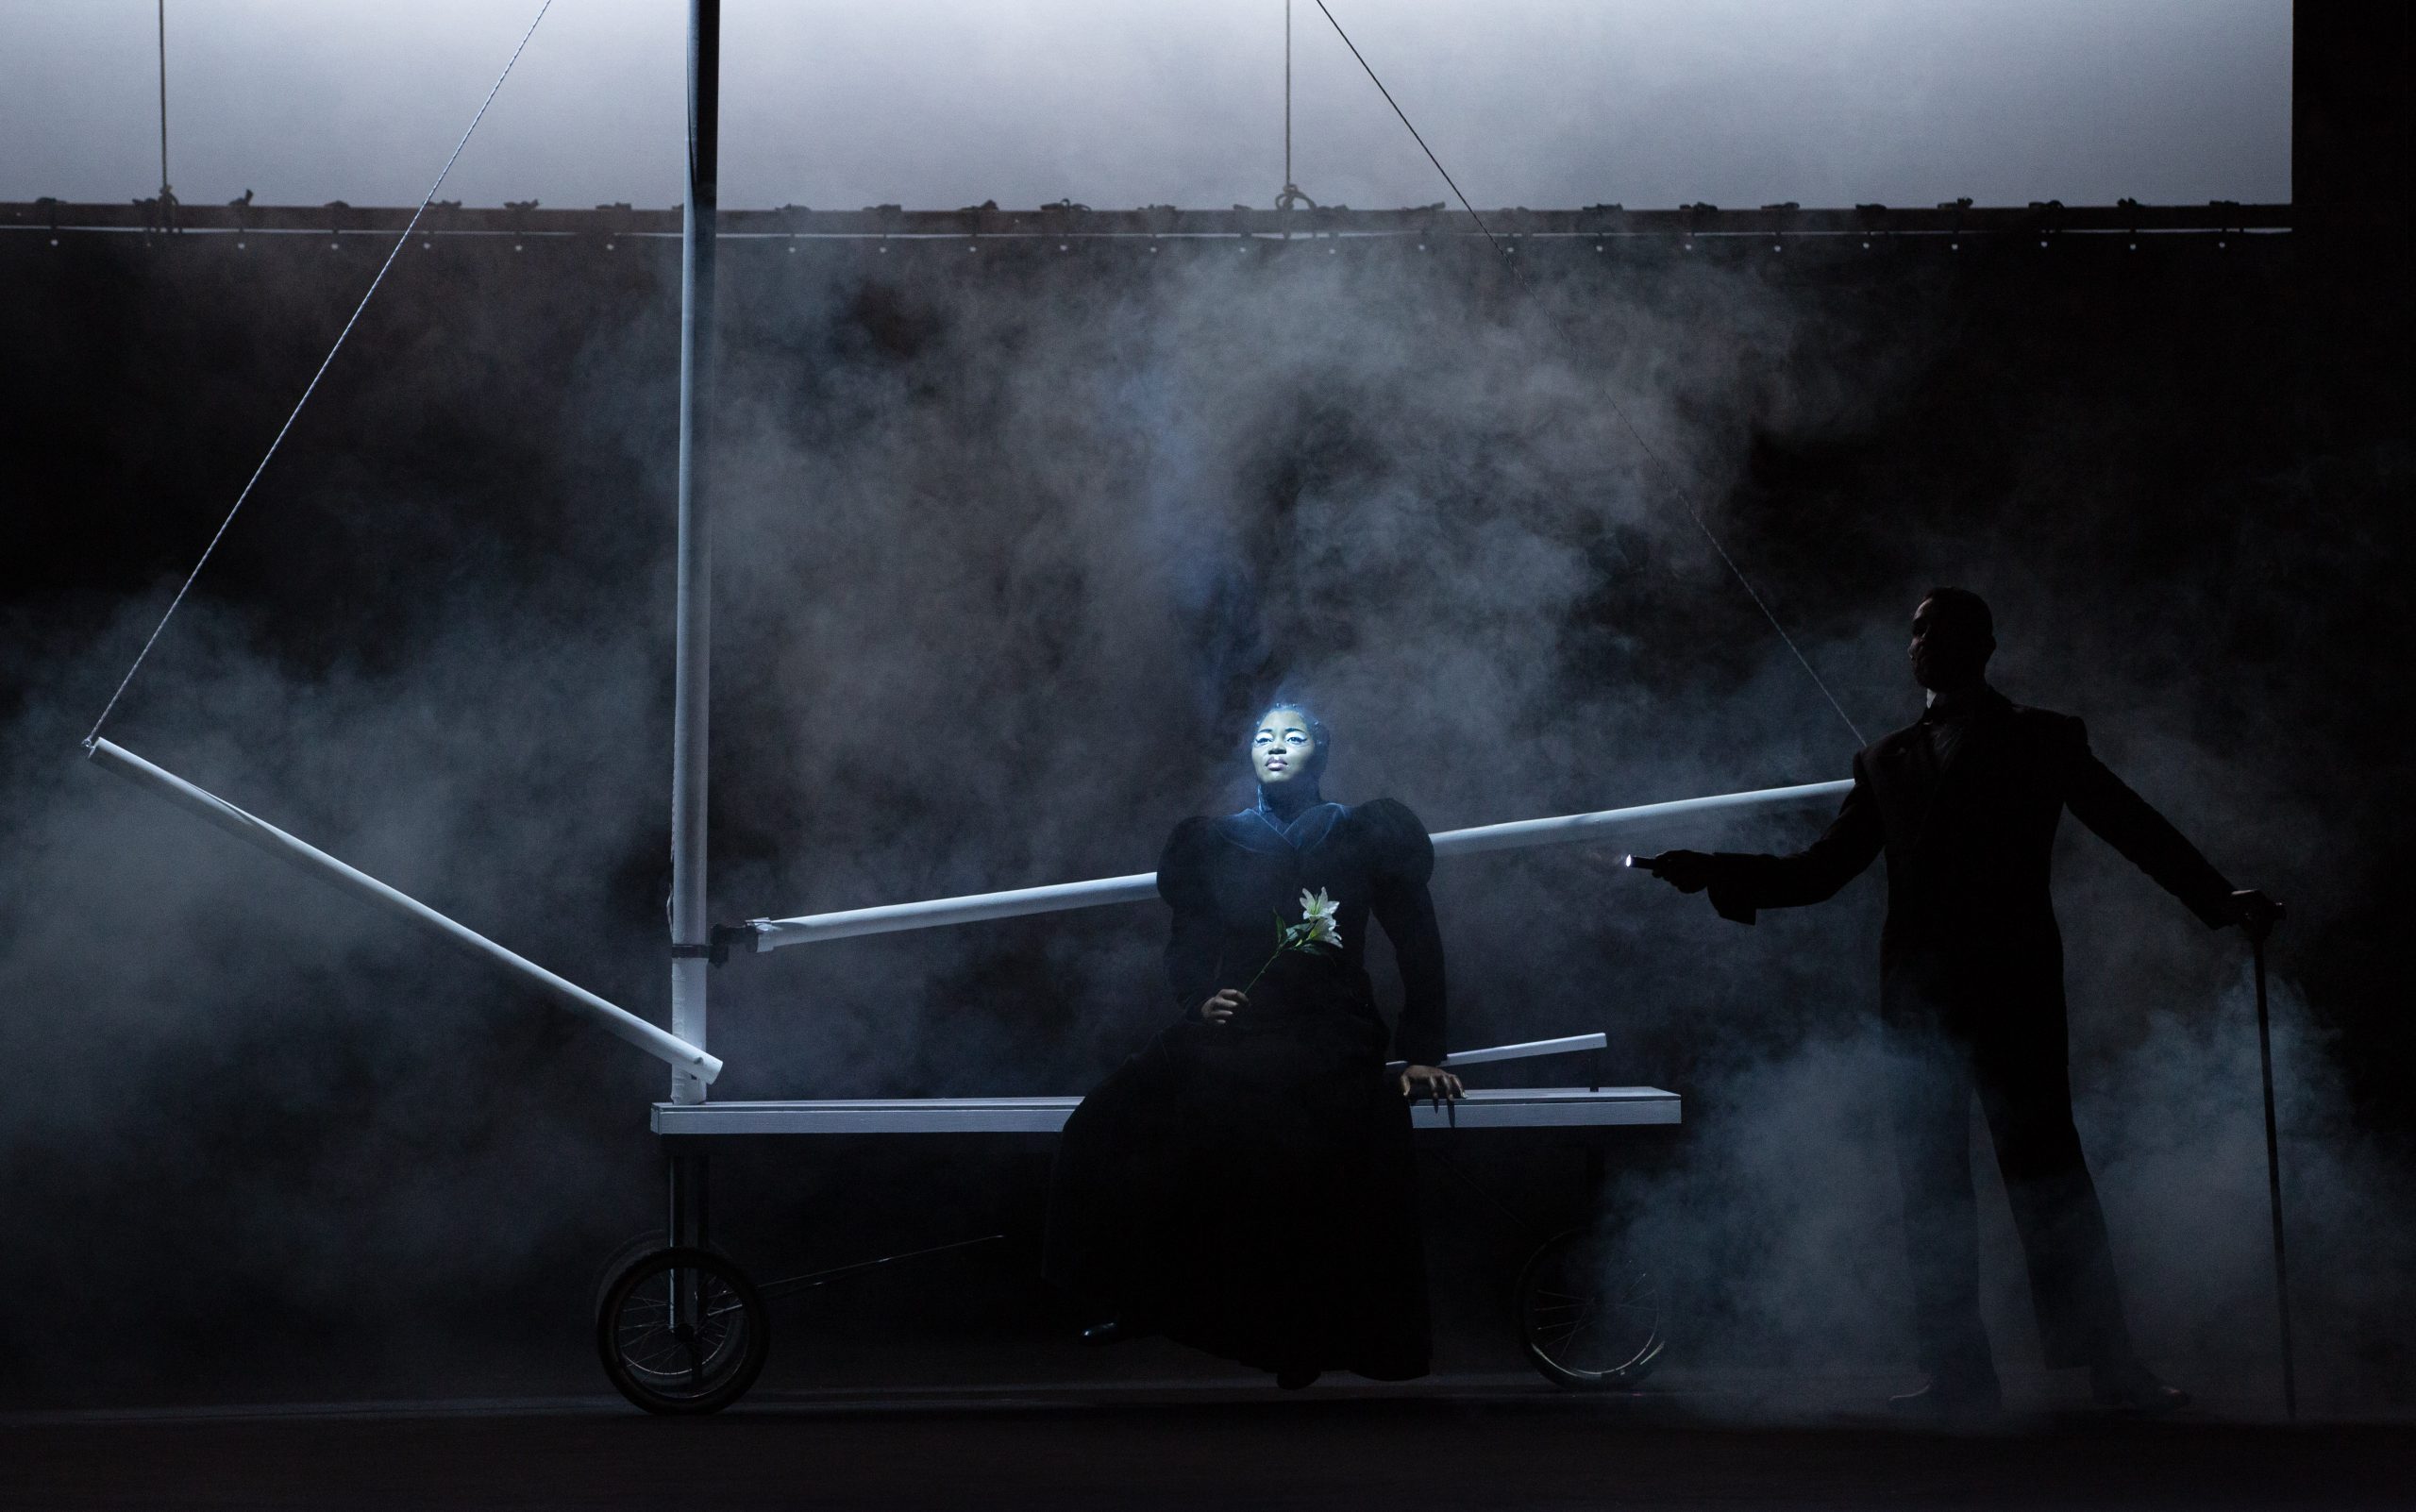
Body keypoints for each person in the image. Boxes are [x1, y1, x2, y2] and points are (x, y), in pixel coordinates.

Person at [1636, 588, 2281, 1418]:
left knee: (2049, 1179)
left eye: (1937, 630)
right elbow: (1821, 871)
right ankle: (1958, 1374)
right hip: (1918, 1003)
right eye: (1914, 630)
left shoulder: (2042, 737)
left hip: (2014, 988)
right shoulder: (1884, 760)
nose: (1919, 643)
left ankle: (2109, 1369)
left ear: (1983, 645)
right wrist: (1715, 871)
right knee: (1931, 1190)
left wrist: (2218, 897)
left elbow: (2130, 824)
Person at [1043, 702, 1462, 1389]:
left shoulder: (1361, 832)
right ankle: (1138, 1293)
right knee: (1116, 1118)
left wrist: (1423, 1051)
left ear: (1320, 752)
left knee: (1293, 1141)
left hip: (1331, 1031)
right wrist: (1198, 998)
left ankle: (1297, 1336)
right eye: (1264, 737)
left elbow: (1419, 945)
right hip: (1241, 1025)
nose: (1276, 747)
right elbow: (1190, 939)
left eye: (1294, 737)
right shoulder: (1216, 840)